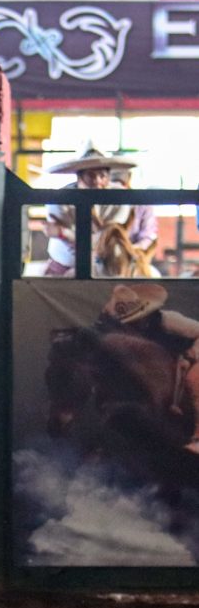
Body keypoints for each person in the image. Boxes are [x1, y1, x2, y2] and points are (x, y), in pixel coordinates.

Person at [98, 283, 199, 452]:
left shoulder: (168, 320)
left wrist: (191, 355)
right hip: (160, 365)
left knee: (195, 379)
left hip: (189, 359)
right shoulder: (122, 331)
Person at [42, 145, 158, 277]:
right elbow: (100, 237)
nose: (97, 181)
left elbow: (110, 234)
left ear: (108, 177)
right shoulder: (60, 199)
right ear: (79, 177)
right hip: (65, 263)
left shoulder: (119, 195)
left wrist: (65, 233)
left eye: (102, 175)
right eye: (91, 175)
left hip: (109, 263)